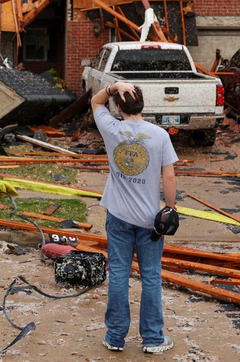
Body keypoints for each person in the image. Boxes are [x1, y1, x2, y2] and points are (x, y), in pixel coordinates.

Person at [91, 81, 177, 355]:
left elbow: (95, 101)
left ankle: (115, 337)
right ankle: (152, 339)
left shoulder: (111, 128)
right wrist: (170, 210)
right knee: (151, 276)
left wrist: (114, 86)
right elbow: (169, 177)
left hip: (118, 216)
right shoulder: (160, 135)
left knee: (118, 273)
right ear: (143, 105)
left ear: (118, 107)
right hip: (151, 221)